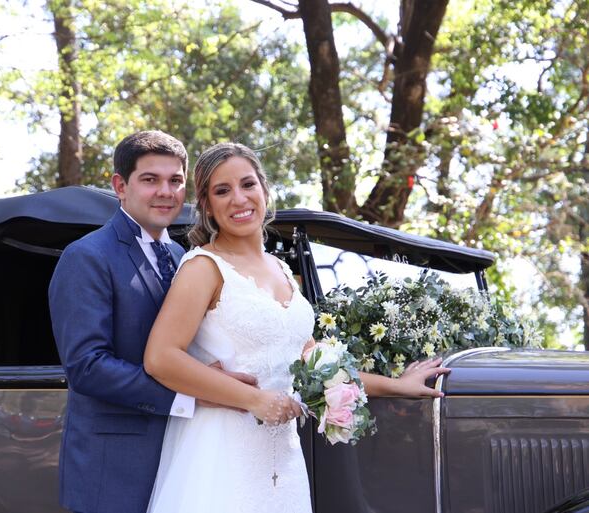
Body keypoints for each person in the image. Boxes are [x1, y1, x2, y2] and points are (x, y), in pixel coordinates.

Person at [143, 142, 449, 512]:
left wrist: (397, 385)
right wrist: (254, 399)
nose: (239, 199)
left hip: (283, 459)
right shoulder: (203, 267)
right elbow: (161, 358)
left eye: (248, 184)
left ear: (264, 189)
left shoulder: (283, 270)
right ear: (206, 205)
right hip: (221, 453)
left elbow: (314, 363)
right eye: (222, 191)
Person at [49, 131, 255, 513]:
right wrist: (192, 393)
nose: (165, 192)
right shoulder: (87, 256)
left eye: (175, 180)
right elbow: (87, 366)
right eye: (150, 179)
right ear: (120, 186)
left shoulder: (183, 256)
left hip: (186, 459)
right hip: (115, 471)